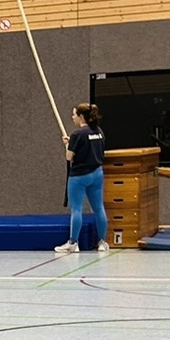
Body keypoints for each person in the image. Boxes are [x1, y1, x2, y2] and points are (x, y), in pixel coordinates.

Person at [56, 102, 108, 255]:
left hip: (79, 176)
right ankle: (102, 242)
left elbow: (69, 156)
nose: (72, 117)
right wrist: (71, 143)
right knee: (98, 208)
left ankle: (73, 242)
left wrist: (68, 145)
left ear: (81, 116)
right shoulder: (99, 132)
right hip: (97, 174)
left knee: (76, 209)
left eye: (74, 114)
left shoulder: (78, 134)